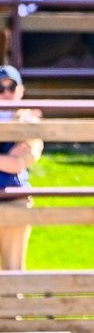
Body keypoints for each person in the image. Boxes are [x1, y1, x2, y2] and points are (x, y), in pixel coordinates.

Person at [0, 65, 41, 271]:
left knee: (13, 270)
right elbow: (11, 161)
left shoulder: (28, 122)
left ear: (21, 90)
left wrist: (11, 161)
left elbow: (19, 163)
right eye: (0, 88)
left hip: (14, 199)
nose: (6, 93)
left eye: (11, 87)